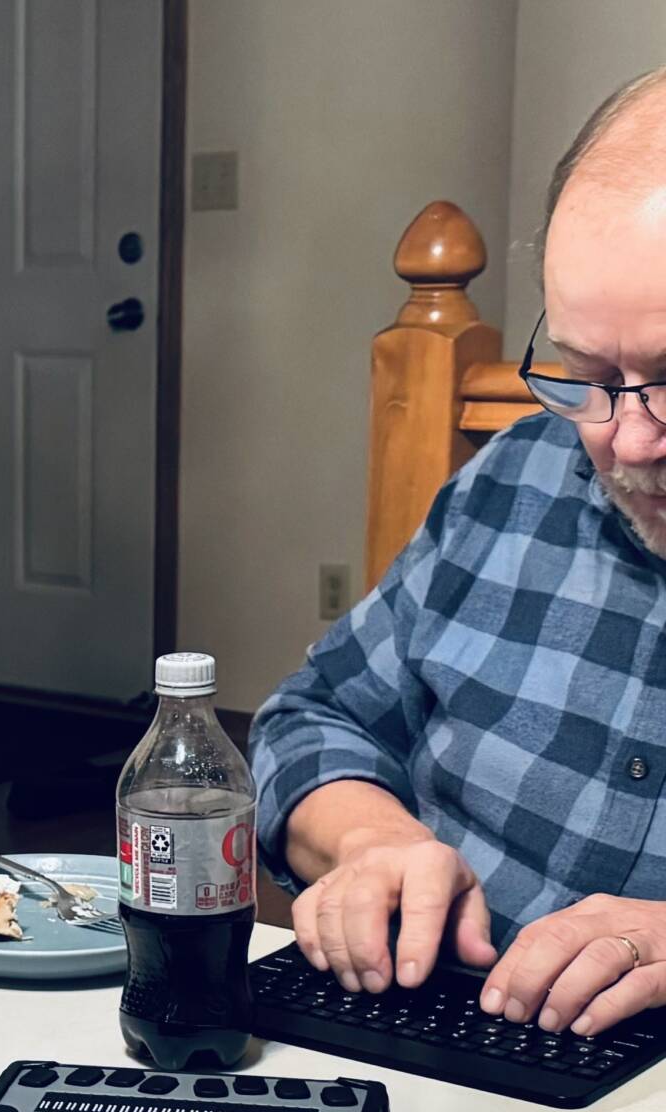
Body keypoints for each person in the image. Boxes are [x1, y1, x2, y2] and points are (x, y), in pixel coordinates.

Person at [253, 66, 666, 1041]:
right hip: (433, 1055)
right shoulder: (514, 477)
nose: (628, 441)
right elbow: (312, 715)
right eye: (585, 372)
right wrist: (367, 840)